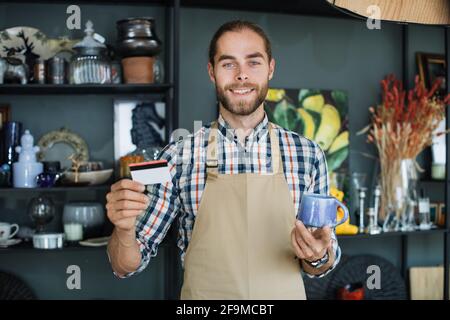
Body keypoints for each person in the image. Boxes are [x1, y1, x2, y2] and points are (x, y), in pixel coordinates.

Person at [106, 20, 341, 300]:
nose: (242, 75)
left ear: (271, 69)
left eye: (253, 62)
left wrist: (316, 256)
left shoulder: (308, 155)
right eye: (228, 64)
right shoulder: (176, 157)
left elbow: (324, 260)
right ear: (211, 72)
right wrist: (123, 230)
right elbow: (126, 264)